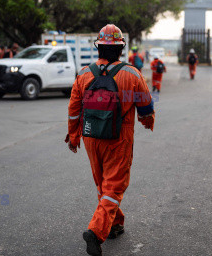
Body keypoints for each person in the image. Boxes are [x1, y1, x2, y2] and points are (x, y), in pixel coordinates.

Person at [66, 24, 155, 256]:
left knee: (104, 183)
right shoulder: (133, 74)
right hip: (119, 136)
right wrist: (147, 121)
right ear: (121, 49)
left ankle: (115, 224)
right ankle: (95, 232)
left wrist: (74, 136)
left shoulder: (84, 74)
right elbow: (146, 106)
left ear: (99, 48)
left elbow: (74, 110)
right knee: (115, 185)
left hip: (90, 136)